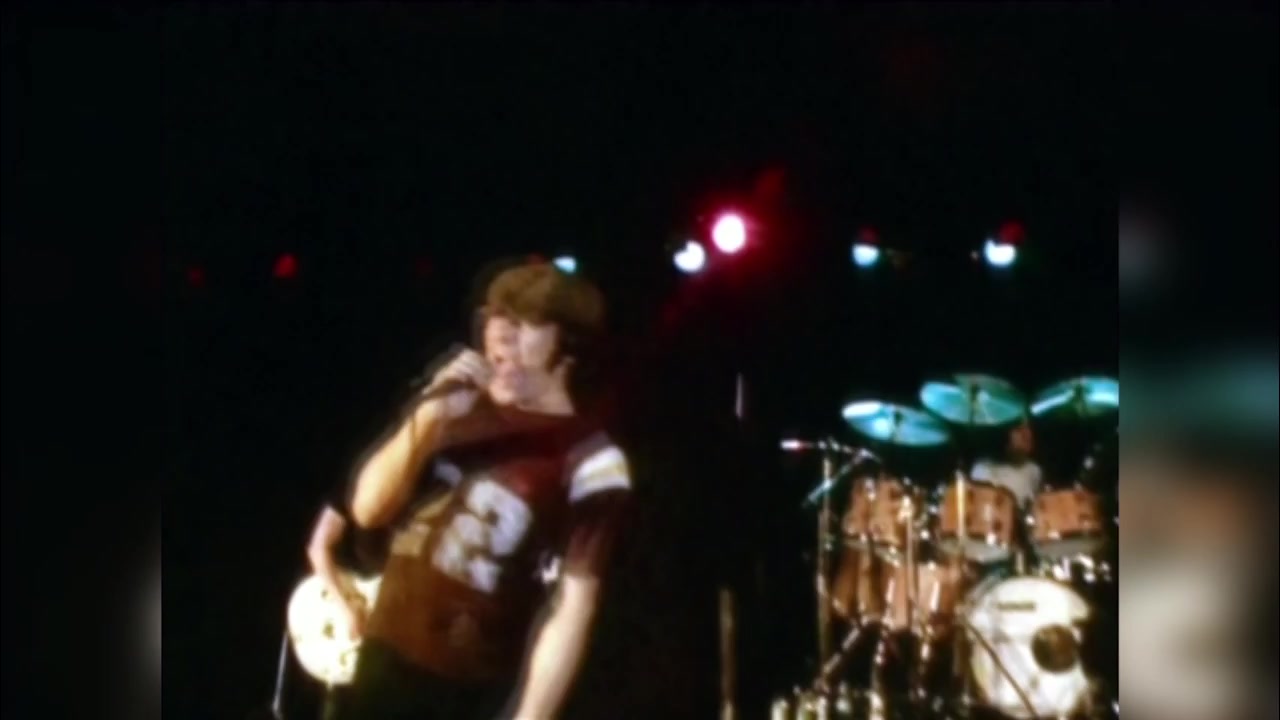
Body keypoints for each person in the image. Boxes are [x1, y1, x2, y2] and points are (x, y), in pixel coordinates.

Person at [332, 261, 632, 720]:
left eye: (524, 322)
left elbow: (573, 605)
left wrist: (531, 715)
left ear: (568, 346)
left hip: (466, 688)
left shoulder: (589, 456)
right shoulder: (458, 407)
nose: (501, 336)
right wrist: (426, 420)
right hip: (382, 664)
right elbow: (367, 510)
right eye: (496, 319)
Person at [970, 419, 1042, 508]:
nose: (1027, 434)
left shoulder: (1034, 470)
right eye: (1018, 429)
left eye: (1028, 428)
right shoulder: (983, 469)